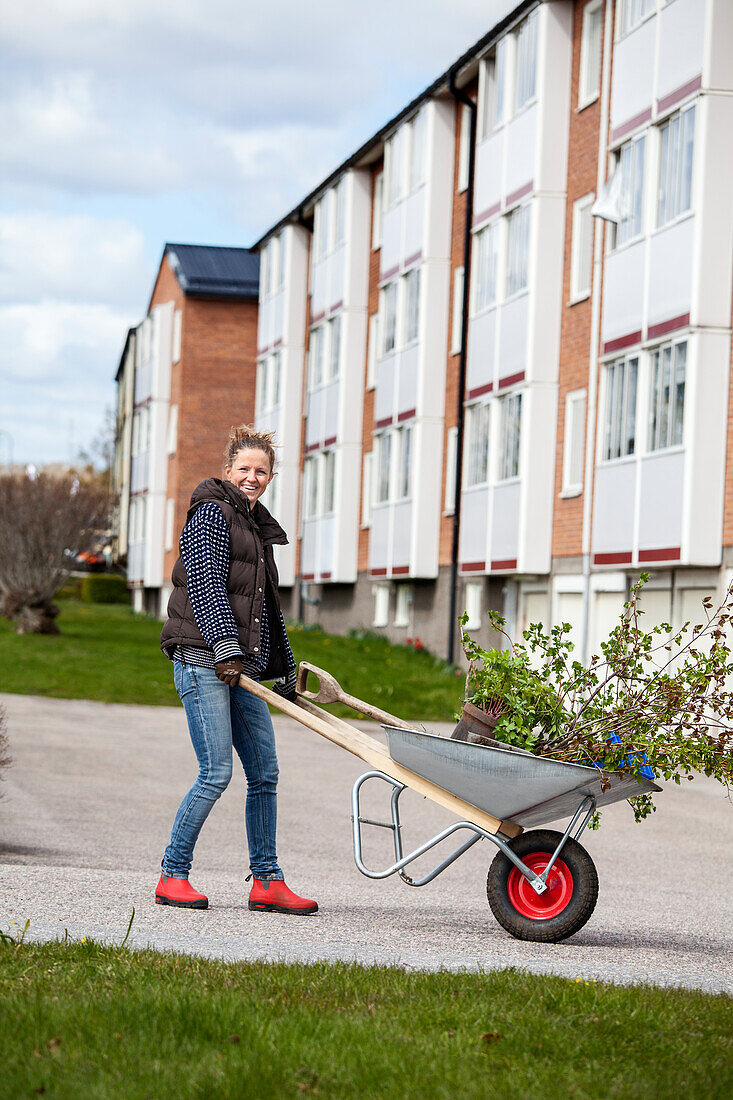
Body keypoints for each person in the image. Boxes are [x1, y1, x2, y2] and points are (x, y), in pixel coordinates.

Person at [156, 425, 318, 915]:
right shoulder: (211, 512)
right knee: (215, 773)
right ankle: (172, 874)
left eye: (261, 471)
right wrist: (225, 647)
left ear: (271, 477)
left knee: (265, 771)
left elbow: (263, 607)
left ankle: (266, 881)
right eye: (244, 468)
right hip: (203, 658)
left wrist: (284, 669)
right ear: (228, 471)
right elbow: (204, 584)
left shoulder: (254, 527)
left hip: (236, 666)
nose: (253, 477)